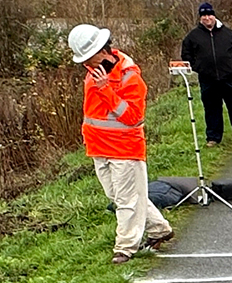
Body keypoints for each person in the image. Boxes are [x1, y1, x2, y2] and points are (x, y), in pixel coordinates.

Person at [69, 22, 173, 264]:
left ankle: (125, 247)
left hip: (124, 149)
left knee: (126, 201)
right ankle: (160, 229)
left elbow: (133, 117)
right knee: (121, 197)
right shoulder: (94, 70)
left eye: (88, 57)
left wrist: (106, 90)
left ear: (102, 51)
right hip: (98, 147)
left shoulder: (129, 76)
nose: (86, 64)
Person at [179, 1, 232, 150]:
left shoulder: (228, 34)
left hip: (229, 78)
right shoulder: (193, 36)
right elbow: (186, 55)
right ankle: (213, 138)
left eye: (209, 15)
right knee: (212, 108)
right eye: (204, 16)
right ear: (200, 18)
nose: (207, 18)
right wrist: (198, 67)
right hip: (208, 79)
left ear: (214, 16)